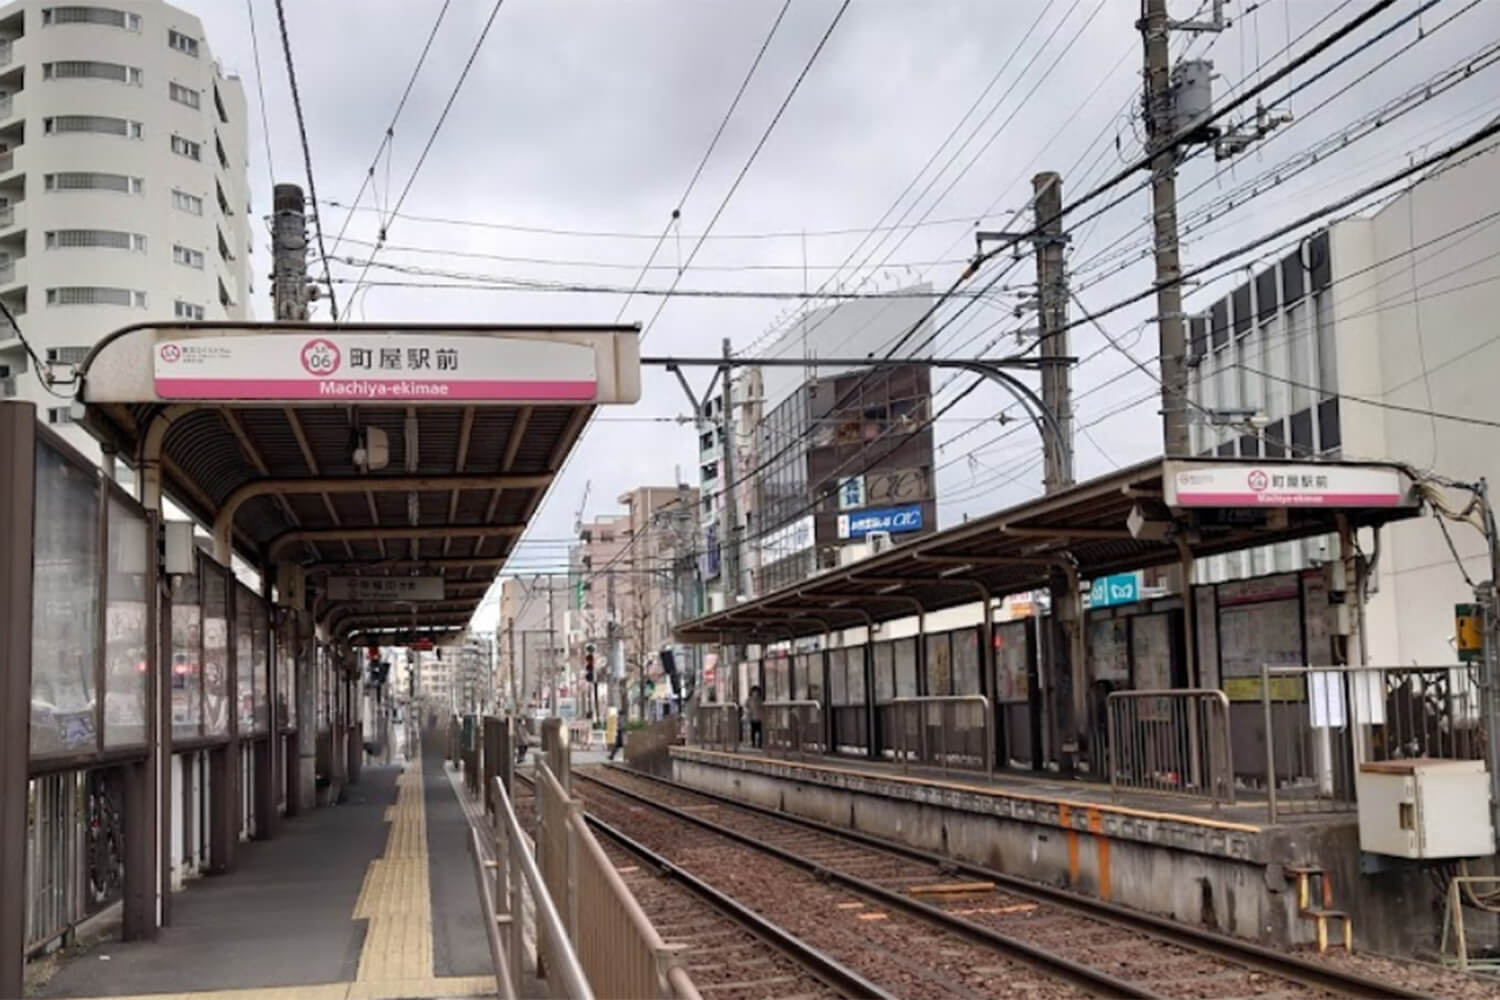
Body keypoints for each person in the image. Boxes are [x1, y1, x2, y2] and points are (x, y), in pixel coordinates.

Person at [746, 685, 764, 749]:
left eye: (756, 692)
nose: (755, 693)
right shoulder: (749, 699)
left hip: (760, 718)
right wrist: (748, 714)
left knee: (760, 731)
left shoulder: (760, 699)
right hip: (752, 718)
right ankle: (753, 743)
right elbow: (746, 706)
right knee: (753, 731)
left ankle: (760, 744)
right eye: (754, 692)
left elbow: (762, 707)